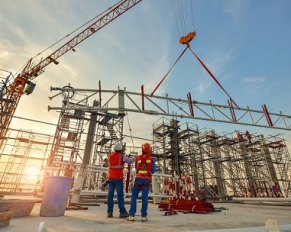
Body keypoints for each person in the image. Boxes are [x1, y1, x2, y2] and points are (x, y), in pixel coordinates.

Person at [127, 143, 156, 222]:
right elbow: (153, 170)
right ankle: (143, 216)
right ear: (149, 150)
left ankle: (132, 215)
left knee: (134, 196)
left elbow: (136, 167)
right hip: (147, 180)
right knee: (144, 197)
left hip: (138, 179)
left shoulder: (137, 158)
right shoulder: (151, 158)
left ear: (142, 149)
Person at [107, 142, 135, 218]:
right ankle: (122, 212)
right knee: (120, 195)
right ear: (121, 149)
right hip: (118, 178)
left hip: (110, 178)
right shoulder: (122, 156)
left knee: (110, 195)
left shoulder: (110, 156)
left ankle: (109, 212)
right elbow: (129, 161)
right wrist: (135, 158)